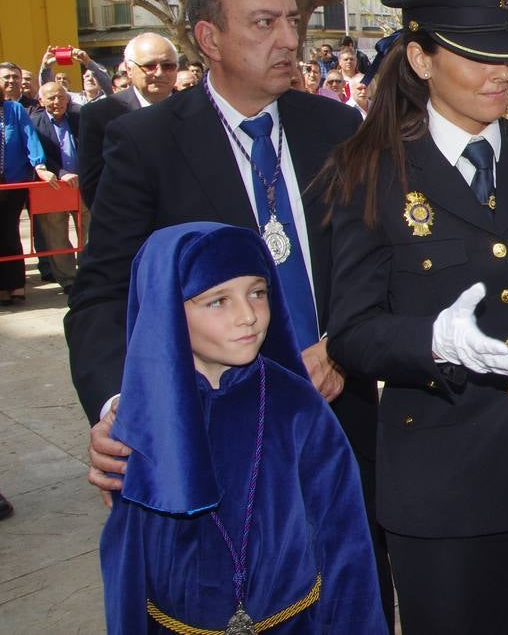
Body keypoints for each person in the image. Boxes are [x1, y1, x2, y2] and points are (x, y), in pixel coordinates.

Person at [64, 0, 391, 623]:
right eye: (264, 23)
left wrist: (341, 343)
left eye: (291, 22)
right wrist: (120, 405)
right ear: (208, 38)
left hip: (342, 424)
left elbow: (375, 260)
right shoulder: (149, 143)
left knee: (352, 599)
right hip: (219, 446)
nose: (288, 40)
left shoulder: (335, 129)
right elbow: (102, 293)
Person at [323, 0, 508, 635]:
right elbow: (351, 333)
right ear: (421, 59)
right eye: (478, 56)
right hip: (440, 480)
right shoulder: (373, 171)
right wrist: (430, 342)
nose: (502, 73)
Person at [99, 222, 385, 634]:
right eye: (218, 301)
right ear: (166, 310)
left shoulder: (298, 408)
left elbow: (346, 545)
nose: (248, 315)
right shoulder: (144, 424)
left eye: (257, 292)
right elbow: (126, 568)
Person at [77, 33, 180, 210]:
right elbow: (93, 187)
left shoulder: (198, 108)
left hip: (192, 227)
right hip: (130, 224)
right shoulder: (99, 115)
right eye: (150, 66)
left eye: (168, 66)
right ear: (129, 70)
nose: (160, 72)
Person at [2, 81, 55, 304]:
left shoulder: (13, 109)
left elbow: (28, 137)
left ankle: (15, 284)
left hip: (13, 180)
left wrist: (39, 165)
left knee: (8, 230)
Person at [29, 82, 84, 290]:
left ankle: (89, 274)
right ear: (41, 101)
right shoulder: (34, 122)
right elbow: (38, 154)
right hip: (54, 186)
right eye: (51, 98)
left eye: (61, 97)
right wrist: (61, 173)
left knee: (90, 231)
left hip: (82, 183)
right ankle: (69, 280)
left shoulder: (80, 118)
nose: (57, 102)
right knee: (56, 234)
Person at [39, 46, 113, 106]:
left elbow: (108, 85)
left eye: (93, 76)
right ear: (83, 78)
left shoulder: (108, 98)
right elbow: (47, 91)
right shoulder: (72, 98)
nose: (90, 79)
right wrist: (46, 68)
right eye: (87, 76)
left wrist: (88, 62)